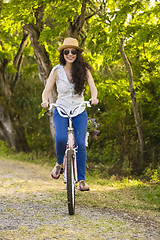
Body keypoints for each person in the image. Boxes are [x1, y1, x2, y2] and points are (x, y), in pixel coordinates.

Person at [41, 37, 98, 191]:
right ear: (63, 54)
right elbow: (46, 90)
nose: (70, 54)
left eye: (73, 51)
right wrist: (45, 101)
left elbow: (93, 88)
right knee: (61, 138)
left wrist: (94, 98)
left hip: (79, 110)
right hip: (61, 109)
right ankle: (59, 164)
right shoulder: (56, 70)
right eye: (67, 51)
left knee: (80, 143)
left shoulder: (84, 71)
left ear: (77, 54)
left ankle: (81, 180)